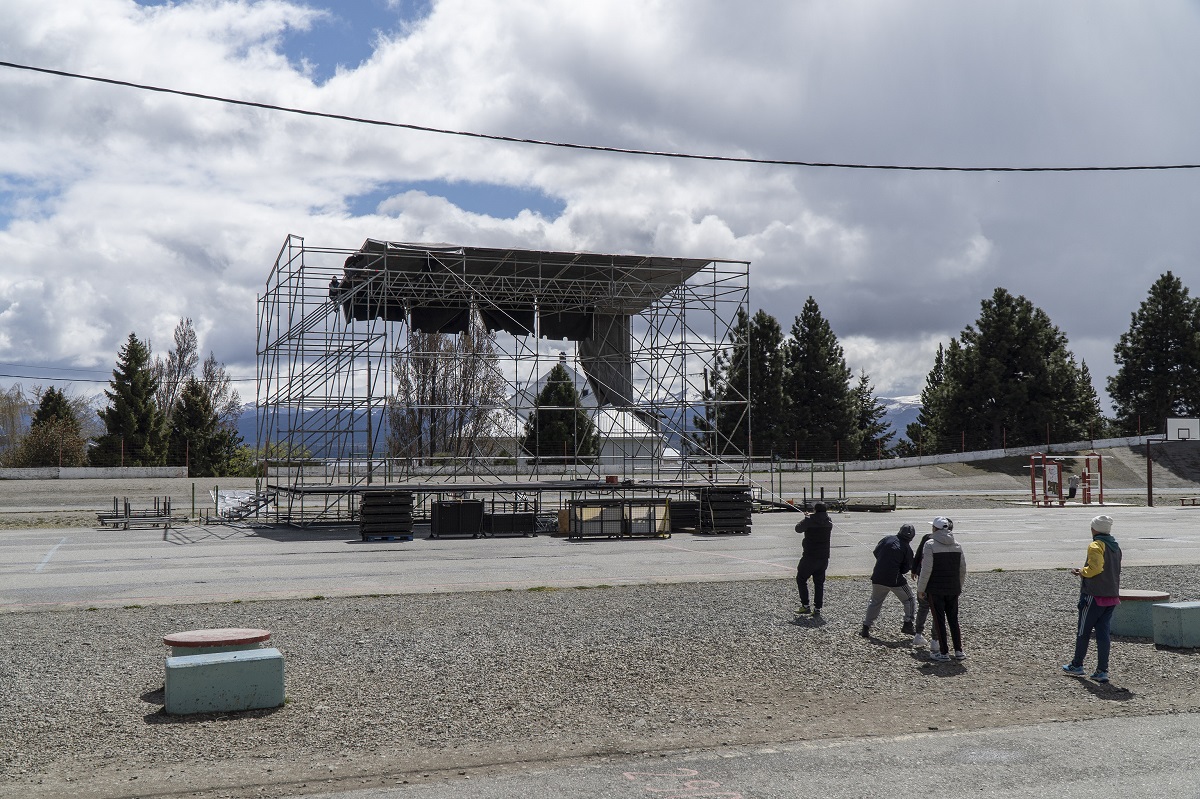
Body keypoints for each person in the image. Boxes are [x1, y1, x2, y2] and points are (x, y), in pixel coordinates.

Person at [1062, 515, 1121, 683]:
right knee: (1103, 634)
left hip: (1094, 595)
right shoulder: (1115, 547)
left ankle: (1077, 664)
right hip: (1111, 595)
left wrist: (1081, 571)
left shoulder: (1096, 545)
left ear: (1094, 529)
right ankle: (1102, 670)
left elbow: (1095, 568)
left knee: (1083, 631)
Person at [916, 516, 967, 662]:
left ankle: (943, 652)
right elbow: (962, 569)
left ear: (935, 529)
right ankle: (958, 650)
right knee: (953, 620)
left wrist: (921, 588)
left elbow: (926, 569)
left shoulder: (930, 544)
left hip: (936, 589)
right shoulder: (957, 545)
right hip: (953, 588)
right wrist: (959, 586)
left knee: (939, 621)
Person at [861, 523, 916, 638]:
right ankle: (908, 623)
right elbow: (906, 568)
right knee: (909, 599)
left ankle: (866, 627)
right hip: (894, 579)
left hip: (877, 576)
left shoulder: (887, 539)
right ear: (911, 538)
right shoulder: (907, 548)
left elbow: (876, 552)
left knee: (875, 601)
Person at [794, 502, 833, 616]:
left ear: (815, 510)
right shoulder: (828, 521)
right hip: (824, 557)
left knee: (801, 578)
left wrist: (806, 518)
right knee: (819, 582)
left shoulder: (810, 520)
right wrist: (810, 517)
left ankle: (805, 605)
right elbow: (820, 520)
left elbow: (798, 529)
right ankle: (817, 608)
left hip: (810, 556)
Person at [909, 530, 937, 650]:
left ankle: (918, 634)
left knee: (923, 607)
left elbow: (919, 553)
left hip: (923, 577)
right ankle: (935, 639)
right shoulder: (948, 541)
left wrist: (914, 569)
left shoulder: (927, 538)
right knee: (937, 610)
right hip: (937, 579)